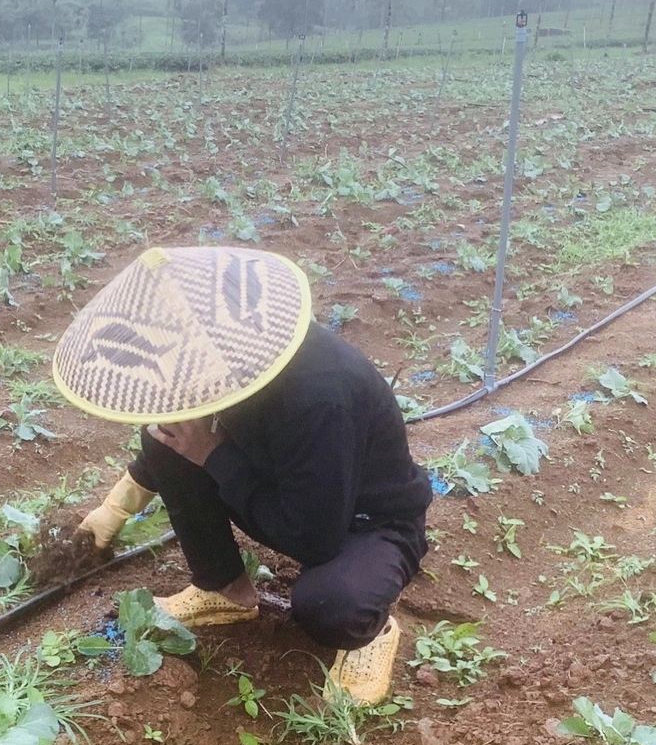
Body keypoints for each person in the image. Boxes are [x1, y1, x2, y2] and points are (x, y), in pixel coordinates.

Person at [54, 246, 431, 705]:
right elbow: (167, 445)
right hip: (291, 487)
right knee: (171, 434)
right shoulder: (230, 366)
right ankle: (224, 589)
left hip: (366, 520)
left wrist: (214, 455)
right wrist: (115, 509)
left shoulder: (319, 396)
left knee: (330, 604)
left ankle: (371, 633)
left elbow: (316, 540)